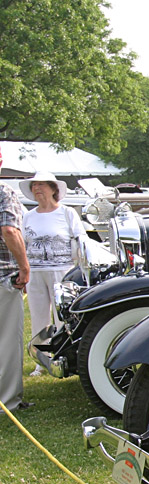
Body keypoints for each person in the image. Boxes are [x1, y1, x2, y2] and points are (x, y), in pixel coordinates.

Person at [20, 172, 87, 375]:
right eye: (34, 185)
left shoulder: (67, 213)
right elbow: (22, 243)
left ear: (53, 188)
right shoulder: (28, 216)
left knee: (63, 317)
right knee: (39, 316)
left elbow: (81, 239)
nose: (37, 188)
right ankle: (41, 361)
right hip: (36, 272)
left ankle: (64, 357)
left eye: (41, 184)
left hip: (62, 271)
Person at [0, 147, 31, 410]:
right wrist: (24, 266)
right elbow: (9, 230)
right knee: (7, 340)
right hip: (2, 275)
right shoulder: (4, 192)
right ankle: (7, 401)